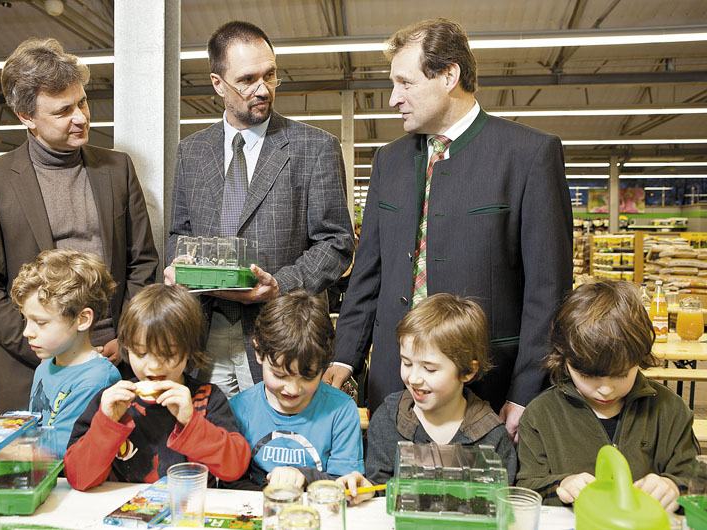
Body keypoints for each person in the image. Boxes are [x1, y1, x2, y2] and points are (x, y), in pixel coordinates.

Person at [326, 18, 573, 438]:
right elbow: (368, 275)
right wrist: (344, 358)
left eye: (405, 83)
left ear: (448, 76)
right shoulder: (389, 161)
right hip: (391, 386)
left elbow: (548, 292)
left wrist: (526, 392)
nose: (393, 99)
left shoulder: (529, 155)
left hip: (487, 389)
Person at [0, 38, 158, 412]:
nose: (80, 117)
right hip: (33, 368)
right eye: (63, 111)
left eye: (81, 102)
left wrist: (126, 338)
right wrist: (53, 348)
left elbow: (142, 262)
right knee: (40, 466)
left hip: (115, 359)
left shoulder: (116, 169)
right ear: (27, 117)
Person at [164, 21, 354, 398]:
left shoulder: (315, 148)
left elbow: (336, 242)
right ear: (218, 84)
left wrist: (280, 285)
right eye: (247, 79)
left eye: (270, 75)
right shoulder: (192, 152)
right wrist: (177, 267)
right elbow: (178, 234)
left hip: (282, 337)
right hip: (206, 332)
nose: (263, 89)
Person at [516, 280, 699, 511]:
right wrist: (560, 486)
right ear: (564, 359)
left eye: (621, 375)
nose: (606, 389)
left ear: (641, 359)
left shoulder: (669, 409)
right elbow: (526, 486)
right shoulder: (541, 415)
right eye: (588, 376)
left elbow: (695, 482)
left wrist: (674, 487)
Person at [64, 283, 250, 491]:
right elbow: (78, 478)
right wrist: (107, 422)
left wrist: (191, 421)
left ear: (189, 350)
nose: (154, 365)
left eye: (168, 354)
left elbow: (235, 468)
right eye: (142, 353)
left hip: (186, 512)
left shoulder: (206, 399)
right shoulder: (110, 400)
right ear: (127, 349)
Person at [337, 293, 516, 505]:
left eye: (429, 369)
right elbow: (380, 491)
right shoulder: (388, 418)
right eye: (407, 363)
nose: (413, 378)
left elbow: (504, 505)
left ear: (468, 371)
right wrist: (367, 491)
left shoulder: (493, 436)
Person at [0, 249, 121, 459]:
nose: (27, 332)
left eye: (41, 322)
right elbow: (36, 436)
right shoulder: (47, 364)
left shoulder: (95, 381)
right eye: (26, 320)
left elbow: (55, 459)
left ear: (82, 319)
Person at [229, 291, 364, 489]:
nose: (292, 389)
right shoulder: (239, 409)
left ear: (324, 364)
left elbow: (346, 485)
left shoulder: (341, 410)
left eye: (307, 376)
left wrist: (304, 477)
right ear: (258, 351)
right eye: (280, 375)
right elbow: (231, 484)